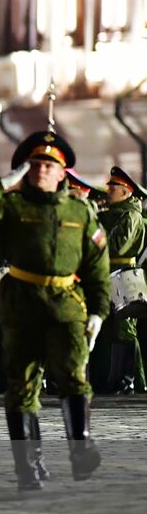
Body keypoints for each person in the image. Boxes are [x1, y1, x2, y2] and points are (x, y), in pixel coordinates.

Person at [0, 131, 111, 489]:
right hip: (22, 307)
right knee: (21, 387)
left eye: (49, 165)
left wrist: (99, 311)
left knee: (74, 377)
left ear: (62, 173)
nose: (42, 169)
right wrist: (0, 183)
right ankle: (28, 465)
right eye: (35, 164)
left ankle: (80, 448)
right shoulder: (10, 208)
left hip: (66, 308)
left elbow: (96, 268)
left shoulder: (80, 211)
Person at [100, 167, 146, 394]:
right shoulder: (114, 212)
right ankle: (131, 380)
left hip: (123, 271)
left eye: (113, 187)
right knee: (114, 328)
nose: (108, 190)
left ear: (127, 192)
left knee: (124, 328)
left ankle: (126, 380)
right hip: (110, 271)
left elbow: (118, 245)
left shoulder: (131, 215)